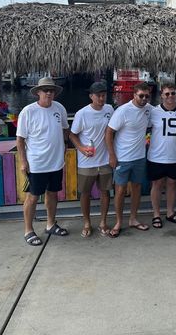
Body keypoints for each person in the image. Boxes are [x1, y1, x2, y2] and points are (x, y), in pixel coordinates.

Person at [17, 77, 69, 246]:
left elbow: (65, 130)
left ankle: (50, 224)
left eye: (51, 90)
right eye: (45, 90)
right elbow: (20, 140)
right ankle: (28, 230)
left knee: (53, 193)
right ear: (38, 92)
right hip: (37, 163)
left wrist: (64, 147)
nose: (49, 93)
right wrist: (23, 162)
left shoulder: (59, 108)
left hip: (56, 162)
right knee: (32, 197)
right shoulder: (28, 111)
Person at [105, 82, 153, 237]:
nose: (144, 99)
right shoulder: (123, 111)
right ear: (134, 95)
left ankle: (133, 218)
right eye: (141, 96)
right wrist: (112, 155)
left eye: (147, 96)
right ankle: (119, 221)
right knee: (120, 190)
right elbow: (109, 133)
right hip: (123, 158)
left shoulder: (148, 109)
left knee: (137, 188)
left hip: (139, 157)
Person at [69, 82, 114, 238]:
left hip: (105, 159)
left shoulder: (110, 109)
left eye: (104, 95)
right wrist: (81, 148)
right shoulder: (82, 114)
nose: (101, 98)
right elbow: (72, 134)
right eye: (98, 95)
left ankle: (103, 222)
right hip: (87, 161)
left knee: (105, 192)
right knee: (85, 193)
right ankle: (87, 222)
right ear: (91, 96)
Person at [147, 83, 176, 228]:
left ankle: (170, 212)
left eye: (173, 93)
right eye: (167, 94)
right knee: (157, 184)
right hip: (156, 155)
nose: (170, 96)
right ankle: (156, 214)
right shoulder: (153, 112)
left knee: (172, 184)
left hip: (175, 155)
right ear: (161, 95)